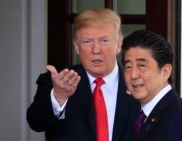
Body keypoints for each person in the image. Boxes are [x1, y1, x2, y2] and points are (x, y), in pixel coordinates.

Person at [27, 8, 140, 141]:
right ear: (76, 46)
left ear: (119, 44)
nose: (96, 50)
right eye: (87, 41)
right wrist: (58, 97)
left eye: (104, 41)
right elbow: (36, 123)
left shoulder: (139, 83)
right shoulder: (55, 82)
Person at [121, 30, 182, 141]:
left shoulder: (180, 119)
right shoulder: (136, 111)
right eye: (128, 66)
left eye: (142, 66)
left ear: (165, 72)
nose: (134, 75)